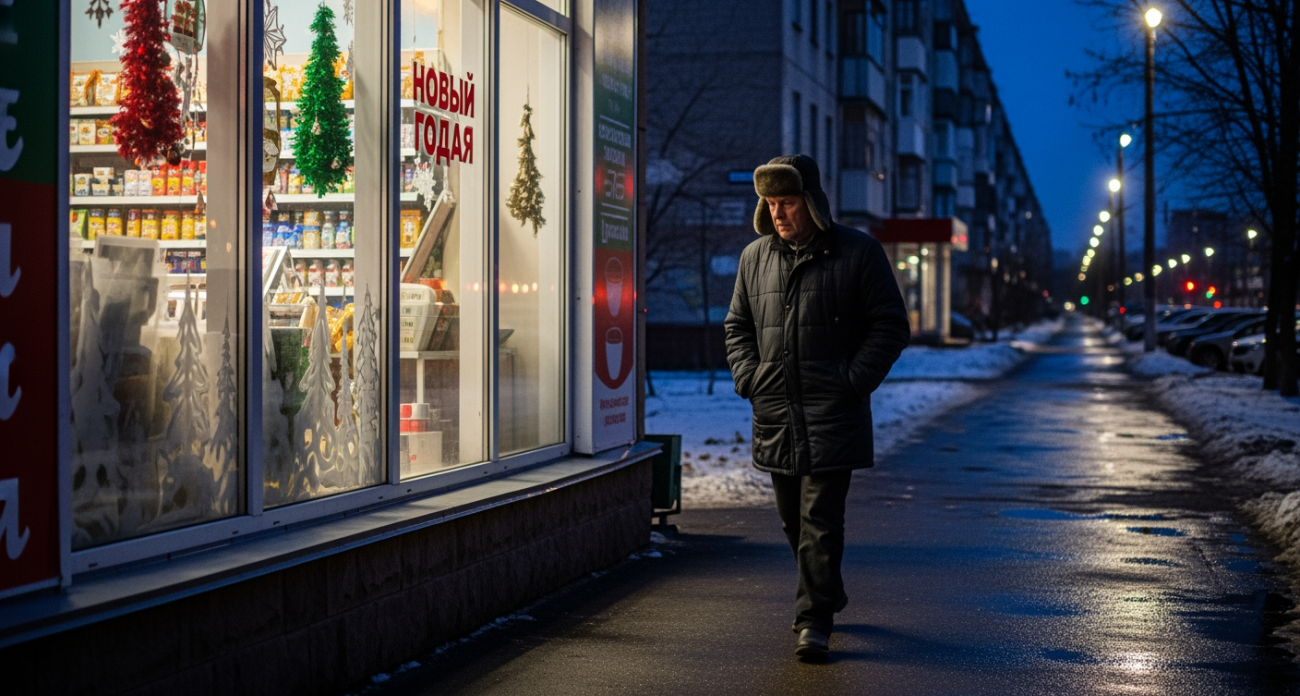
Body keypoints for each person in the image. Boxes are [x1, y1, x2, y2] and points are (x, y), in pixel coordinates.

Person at [724, 154, 910, 662]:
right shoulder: (754, 258)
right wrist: (750, 377)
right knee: (792, 521)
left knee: (820, 519)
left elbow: (891, 325)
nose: (778, 213)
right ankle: (826, 589)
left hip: (834, 413)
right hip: (776, 413)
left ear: (811, 202)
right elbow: (737, 326)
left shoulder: (858, 253)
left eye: (787, 202)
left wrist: (851, 381)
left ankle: (813, 622)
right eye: (770, 203)